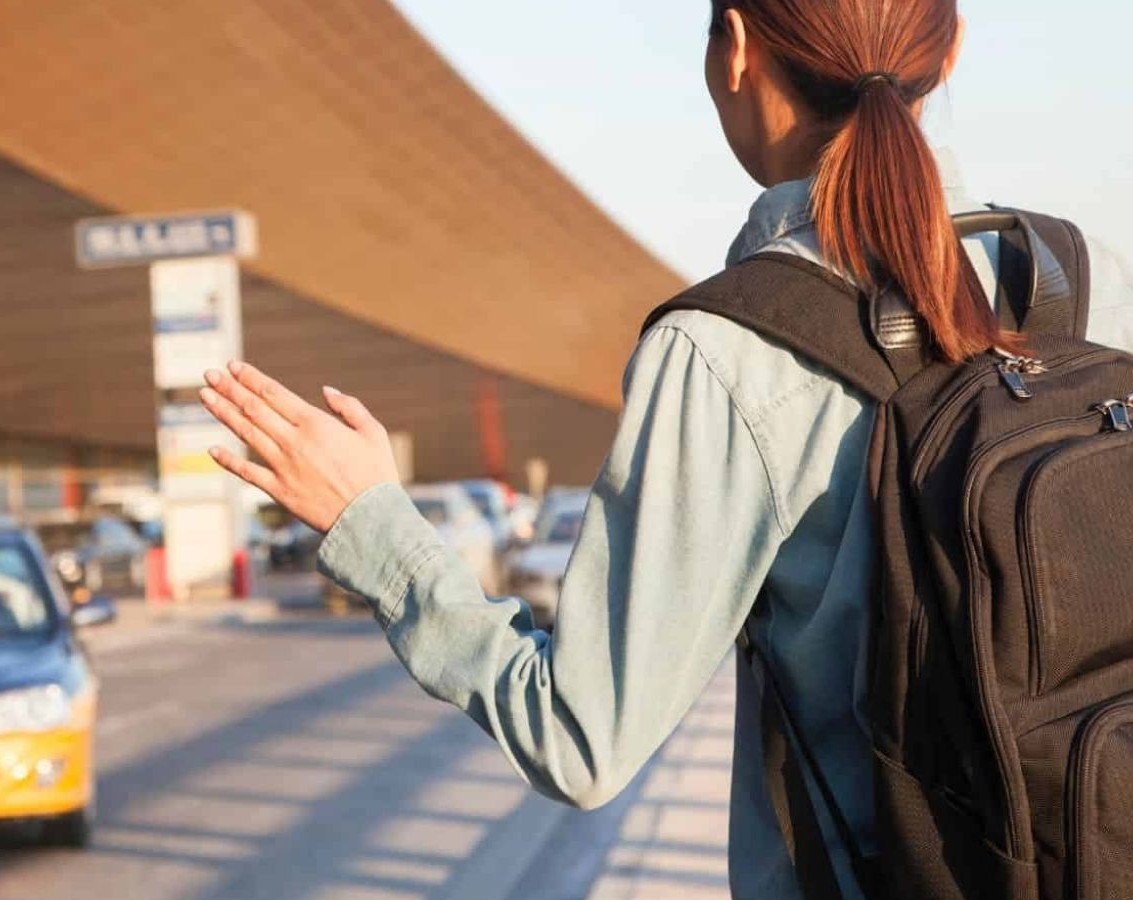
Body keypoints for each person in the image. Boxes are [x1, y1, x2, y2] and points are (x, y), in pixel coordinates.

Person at [195, 3, 1133, 899]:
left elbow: (581, 739)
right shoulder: (1089, 279)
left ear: (734, 50)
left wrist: (375, 526)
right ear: (954, 46)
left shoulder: (728, 349)